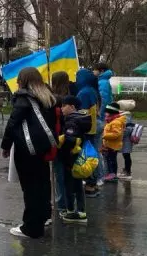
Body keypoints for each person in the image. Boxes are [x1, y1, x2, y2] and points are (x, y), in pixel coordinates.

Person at [1, 67, 57, 239]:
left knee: (30, 188)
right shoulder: (47, 96)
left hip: (27, 149)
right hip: (43, 147)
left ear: (23, 80)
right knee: (42, 184)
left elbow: (12, 123)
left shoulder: (23, 98)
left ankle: (31, 227)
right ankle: (44, 217)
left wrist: (5, 145)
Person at [58, 95, 91, 224]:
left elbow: (70, 139)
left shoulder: (71, 121)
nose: (61, 108)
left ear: (72, 107)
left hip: (70, 157)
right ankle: (81, 211)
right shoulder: (81, 118)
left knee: (69, 185)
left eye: (64, 106)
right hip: (78, 158)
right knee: (77, 184)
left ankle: (71, 211)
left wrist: (60, 139)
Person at [76, 68, 101, 197]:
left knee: (86, 157)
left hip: (86, 130)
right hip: (92, 127)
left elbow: (82, 112)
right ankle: (94, 183)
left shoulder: (83, 93)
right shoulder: (92, 90)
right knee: (92, 155)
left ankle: (90, 184)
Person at [51, 71, 71, 217]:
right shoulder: (71, 97)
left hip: (59, 140)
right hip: (71, 140)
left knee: (59, 174)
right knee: (68, 173)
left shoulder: (55, 99)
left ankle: (61, 204)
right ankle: (69, 202)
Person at [102, 102, 126, 182]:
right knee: (110, 159)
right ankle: (111, 174)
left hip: (113, 145)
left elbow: (116, 134)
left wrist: (105, 135)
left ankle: (113, 174)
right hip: (111, 144)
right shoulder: (112, 120)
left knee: (111, 160)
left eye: (107, 112)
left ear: (111, 113)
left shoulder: (116, 122)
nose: (105, 113)